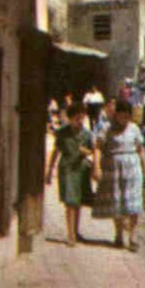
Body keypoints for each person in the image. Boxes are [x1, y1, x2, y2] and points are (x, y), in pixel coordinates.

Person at [93, 98, 145, 251]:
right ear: (116, 115)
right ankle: (118, 234)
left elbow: (141, 150)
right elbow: (98, 148)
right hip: (114, 171)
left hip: (132, 170)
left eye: (127, 116)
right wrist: (96, 167)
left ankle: (132, 237)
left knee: (133, 204)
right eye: (121, 116)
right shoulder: (106, 128)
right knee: (117, 202)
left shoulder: (134, 129)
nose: (124, 119)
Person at [45, 101, 94, 246]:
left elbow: (92, 150)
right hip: (67, 169)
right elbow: (56, 152)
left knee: (77, 202)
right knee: (70, 203)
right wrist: (49, 171)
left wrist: (87, 152)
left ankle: (76, 231)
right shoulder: (62, 133)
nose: (79, 121)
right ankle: (70, 234)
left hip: (81, 170)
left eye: (82, 118)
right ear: (70, 118)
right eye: (76, 119)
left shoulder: (87, 134)